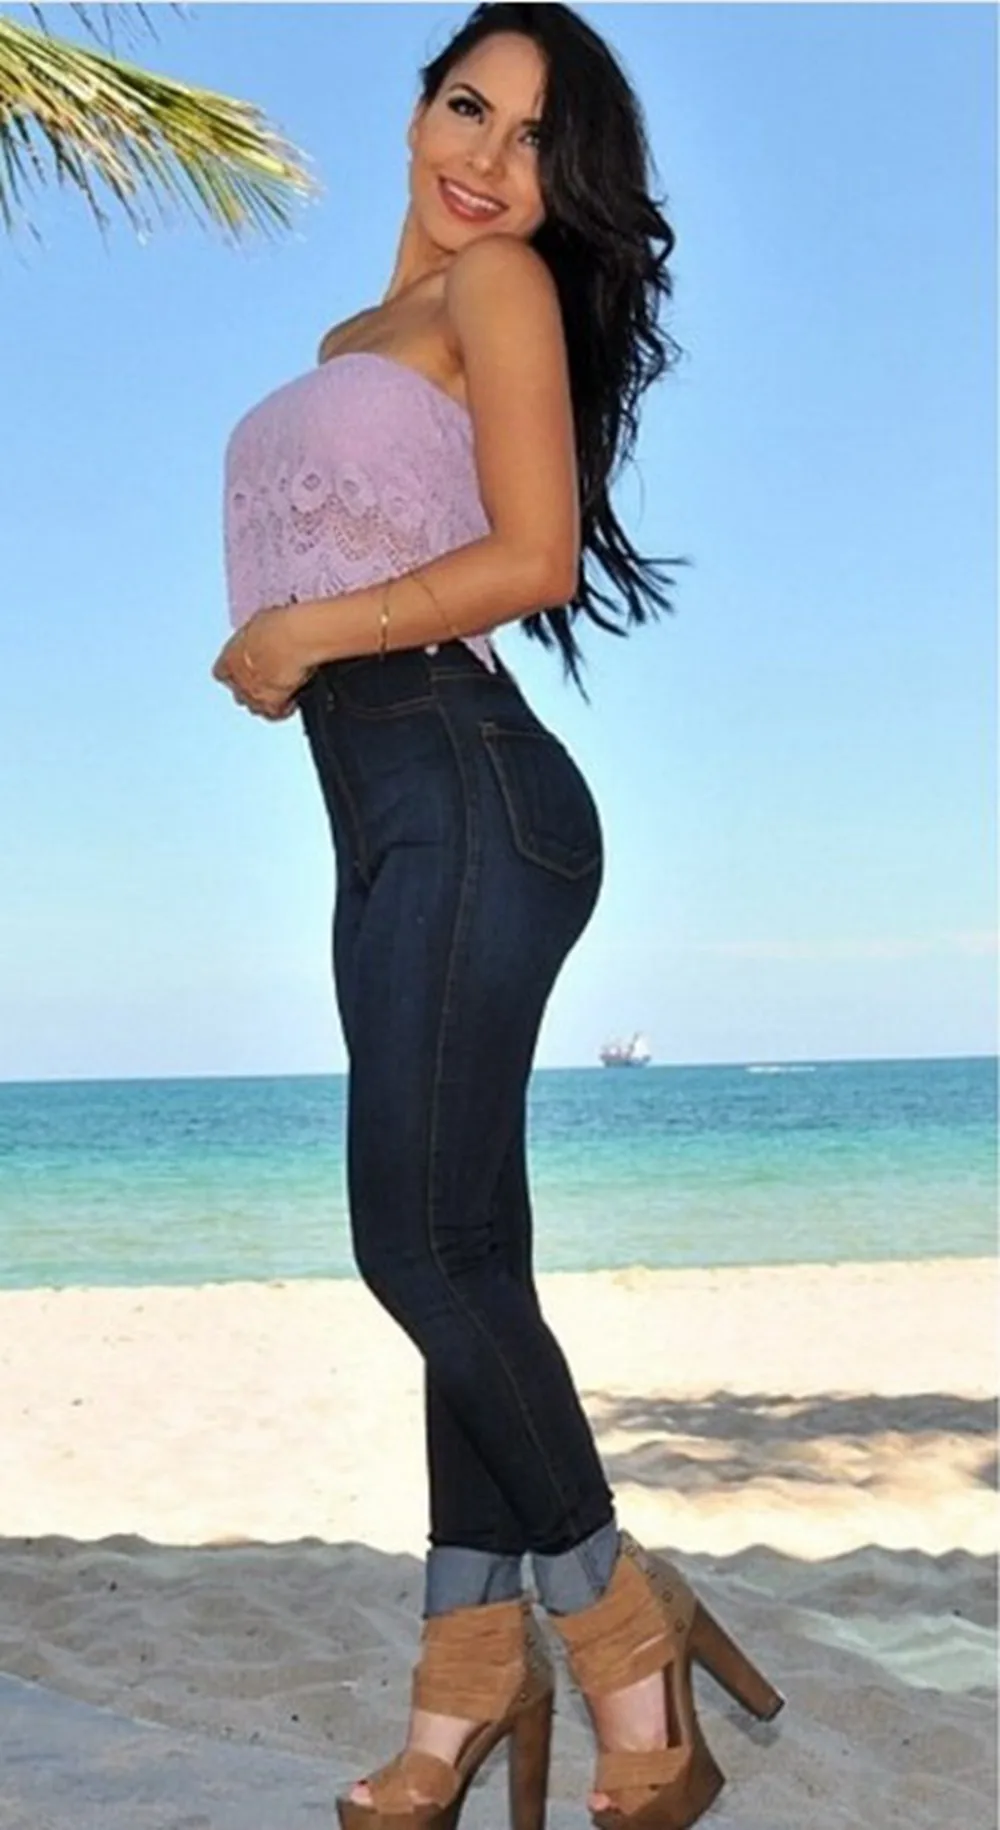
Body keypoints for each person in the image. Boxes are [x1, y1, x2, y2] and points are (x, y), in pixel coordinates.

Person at [213, 6, 783, 1827]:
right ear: (417, 111)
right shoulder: (356, 337)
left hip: (468, 788)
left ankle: (619, 1631)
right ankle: (460, 1694)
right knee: (469, 1257)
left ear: (562, 186)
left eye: (538, 140)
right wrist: (307, 643)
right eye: (471, 108)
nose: (489, 159)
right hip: (385, 821)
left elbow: (532, 559)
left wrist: (301, 629)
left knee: (415, 1249)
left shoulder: (502, 288)